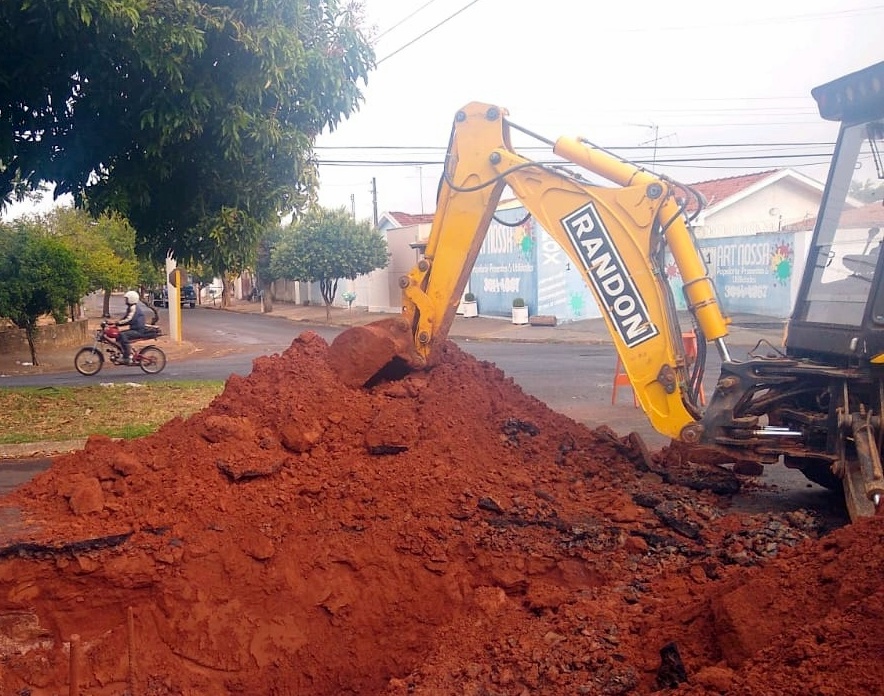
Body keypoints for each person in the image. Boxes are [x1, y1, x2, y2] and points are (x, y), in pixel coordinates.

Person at [113, 290, 157, 364]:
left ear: (131, 299)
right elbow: (125, 318)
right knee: (118, 335)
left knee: (123, 335)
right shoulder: (131, 307)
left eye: (126, 299)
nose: (125, 300)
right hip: (135, 329)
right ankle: (122, 353)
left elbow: (129, 319)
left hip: (138, 331)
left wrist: (118, 323)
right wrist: (115, 323)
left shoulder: (134, 308)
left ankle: (127, 357)